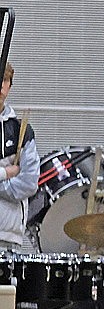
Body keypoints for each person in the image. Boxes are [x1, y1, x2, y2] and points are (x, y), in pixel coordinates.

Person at [0, 62, 40, 251]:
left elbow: (29, 182)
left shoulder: (21, 131)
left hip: (9, 235)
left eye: (4, 80)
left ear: (10, 85)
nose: (0, 86)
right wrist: (6, 173)